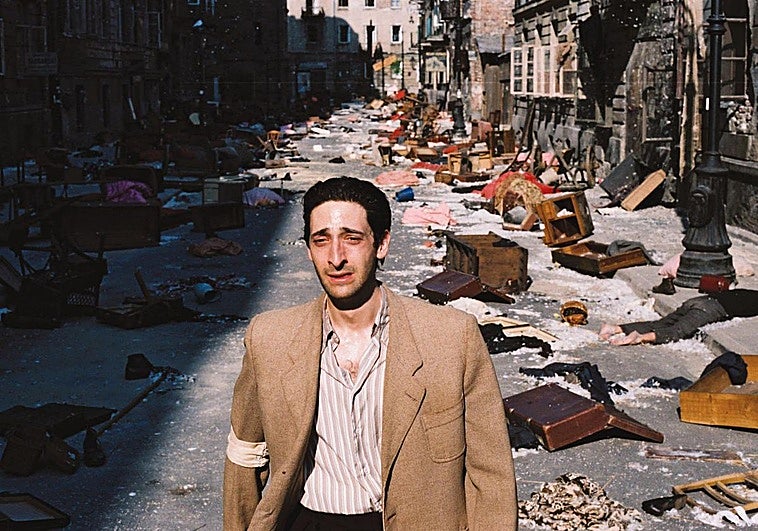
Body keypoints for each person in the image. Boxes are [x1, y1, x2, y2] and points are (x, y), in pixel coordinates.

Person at [224, 176, 517, 530]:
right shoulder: (270, 338)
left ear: (381, 244)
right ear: (308, 250)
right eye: (321, 241)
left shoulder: (451, 338)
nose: (336, 258)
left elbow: (491, 472)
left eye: (352, 238)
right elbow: (246, 454)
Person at [599, 289, 758, 345]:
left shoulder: (751, 294)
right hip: (710, 309)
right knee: (677, 331)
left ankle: (614, 328)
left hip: (698, 301)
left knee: (662, 323)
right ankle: (641, 337)